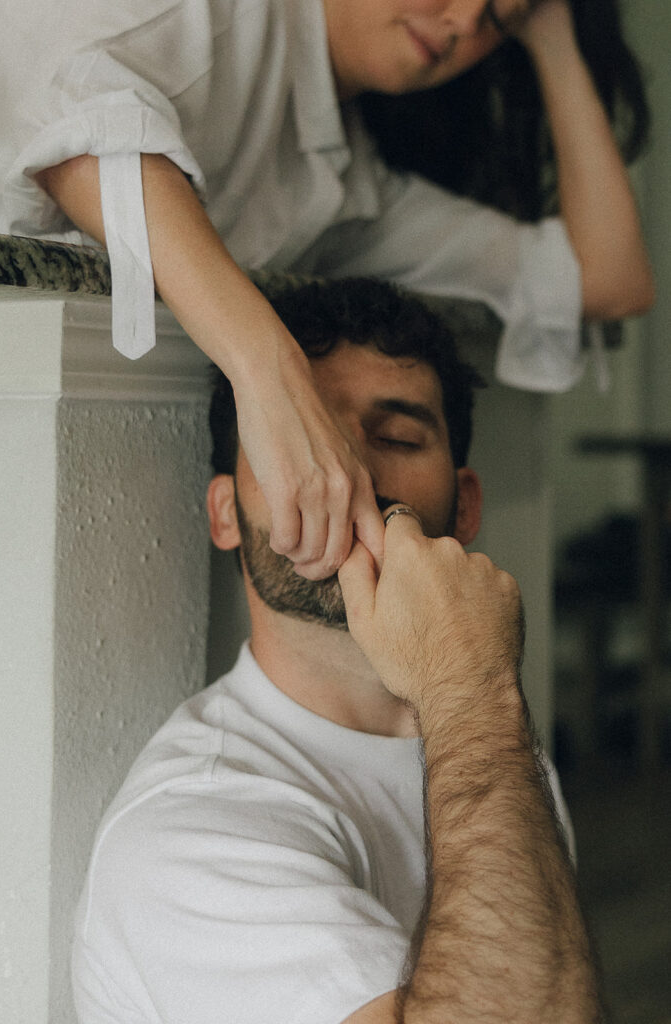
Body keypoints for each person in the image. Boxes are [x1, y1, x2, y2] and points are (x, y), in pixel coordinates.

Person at [72, 277, 602, 1024]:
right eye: (300, 438)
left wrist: (472, 700)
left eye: (396, 438)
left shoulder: (491, 747)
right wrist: (472, 687)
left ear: (467, 503)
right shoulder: (193, 826)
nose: (346, 477)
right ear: (225, 511)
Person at [0, 0, 654, 584]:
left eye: (495, 20)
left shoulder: (347, 191)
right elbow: (76, 123)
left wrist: (554, 34)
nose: (462, 21)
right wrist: (268, 376)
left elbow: (606, 280)